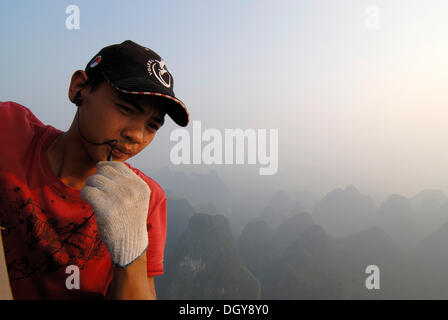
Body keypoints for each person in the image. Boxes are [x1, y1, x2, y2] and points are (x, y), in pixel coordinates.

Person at [0, 40, 189, 299]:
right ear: (80, 88)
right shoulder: (9, 132)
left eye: (152, 126)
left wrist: (131, 251)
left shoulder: (146, 200)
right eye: (126, 108)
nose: (136, 135)